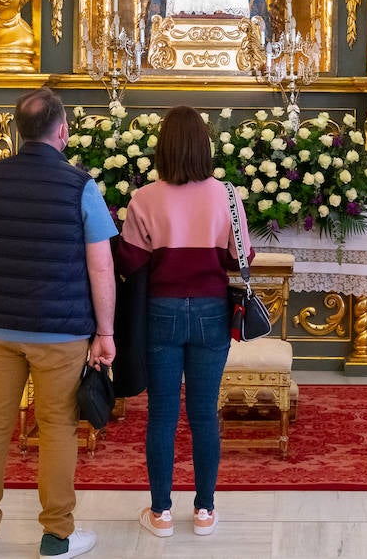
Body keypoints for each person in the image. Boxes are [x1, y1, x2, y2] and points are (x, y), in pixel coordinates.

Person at [0, 88, 117, 559]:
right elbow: (101, 266)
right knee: (58, 427)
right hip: (59, 331)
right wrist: (105, 333)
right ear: (62, 131)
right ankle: (56, 535)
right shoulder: (80, 186)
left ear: (19, 131)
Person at [114, 105, 250, 539]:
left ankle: (161, 513)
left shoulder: (144, 198)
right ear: (204, 147)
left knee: (162, 415)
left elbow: (129, 260)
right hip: (212, 311)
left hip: (161, 311)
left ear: (164, 148)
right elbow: (241, 258)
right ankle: (205, 510)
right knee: (205, 415)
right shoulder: (227, 195)